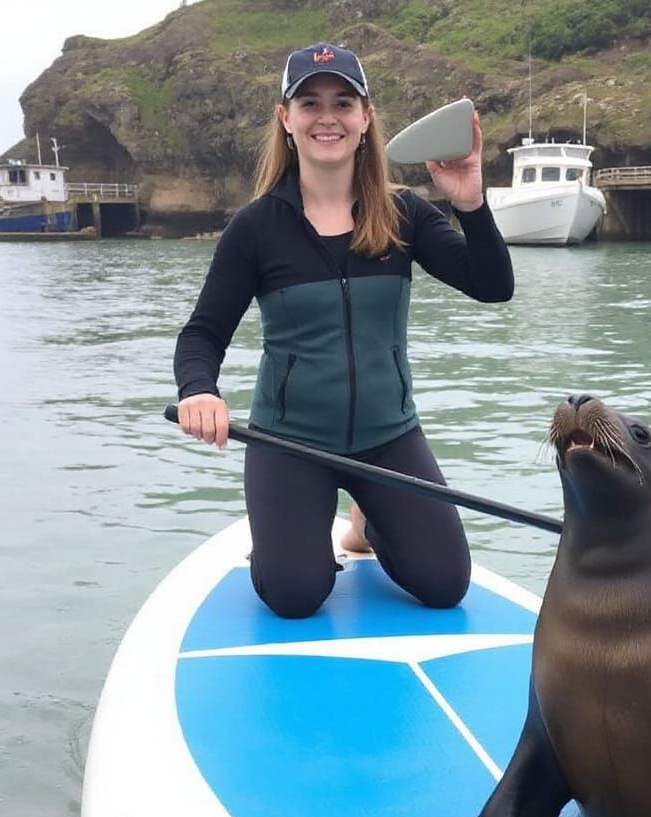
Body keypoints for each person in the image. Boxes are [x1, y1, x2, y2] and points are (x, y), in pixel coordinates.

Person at [174, 42, 514, 618]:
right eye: (309, 103)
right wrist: (199, 390)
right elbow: (201, 335)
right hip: (290, 443)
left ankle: (366, 524)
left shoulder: (405, 213)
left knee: (444, 585)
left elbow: (491, 285)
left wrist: (471, 203)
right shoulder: (256, 228)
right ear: (286, 119)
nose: (326, 117)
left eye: (343, 102)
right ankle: (285, 537)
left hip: (389, 436)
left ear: (365, 118)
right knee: (296, 595)